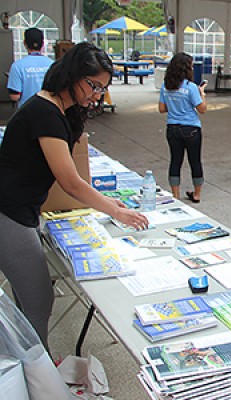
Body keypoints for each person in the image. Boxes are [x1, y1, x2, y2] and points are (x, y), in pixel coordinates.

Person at [0, 42, 149, 352]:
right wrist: (115, 211)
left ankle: (30, 366)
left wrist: (108, 203)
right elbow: (70, 182)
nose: (96, 95)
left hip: (21, 211)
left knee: (28, 299)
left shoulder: (56, 109)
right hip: (9, 214)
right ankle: (37, 377)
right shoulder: (45, 112)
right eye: (93, 86)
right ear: (72, 75)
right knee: (39, 299)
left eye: (102, 89)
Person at [159, 52, 207, 203]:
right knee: (195, 161)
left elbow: (161, 108)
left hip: (172, 128)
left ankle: (175, 195)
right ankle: (197, 194)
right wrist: (202, 94)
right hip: (191, 128)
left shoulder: (166, 86)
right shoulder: (191, 87)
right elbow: (202, 109)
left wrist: (175, 106)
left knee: (175, 161)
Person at [7, 28, 54, 108]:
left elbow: (14, 96)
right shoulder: (53, 64)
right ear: (42, 44)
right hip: (50, 111)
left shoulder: (18, 66)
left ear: (24, 43)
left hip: (27, 113)